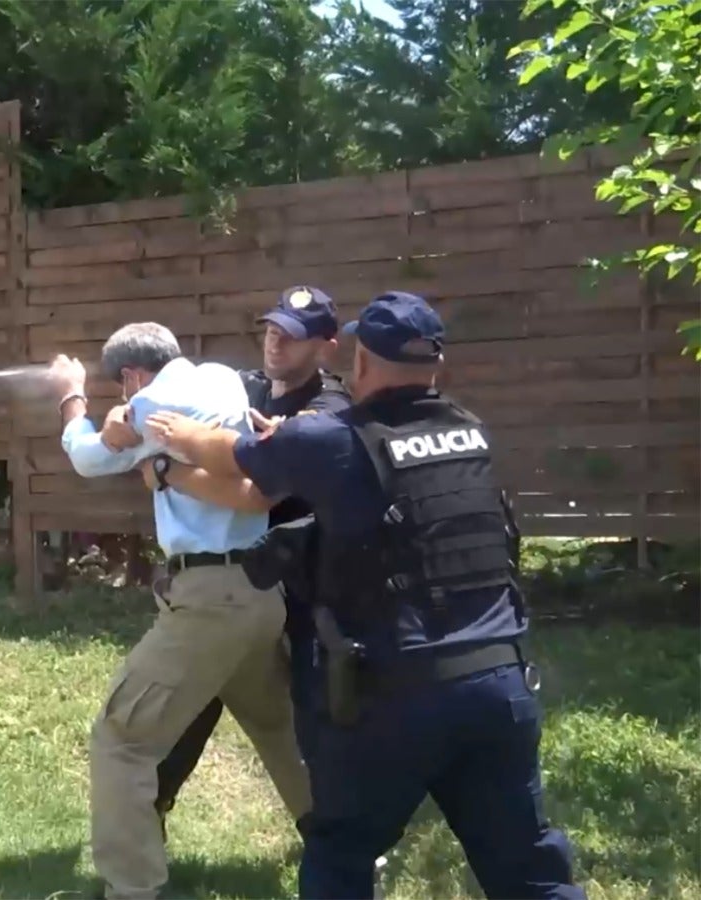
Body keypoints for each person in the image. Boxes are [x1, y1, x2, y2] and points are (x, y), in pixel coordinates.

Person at [142, 291, 584, 900]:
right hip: (499, 688)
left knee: (341, 852)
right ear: (436, 365)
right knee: (530, 872)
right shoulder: (471, 434)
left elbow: (227, 456)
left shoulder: (333, 439)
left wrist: (175, 436)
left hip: (396, 695)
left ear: (362, 363)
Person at [46, 323, 310, 900]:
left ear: (132, 377)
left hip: (210, 601)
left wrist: (72, 399)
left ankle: (133, 889)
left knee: (121, 740)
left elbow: (90, 458)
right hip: (260, 595)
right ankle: (347, 849)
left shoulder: (153, 402)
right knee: (279, 728)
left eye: (124, 388)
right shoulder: (221, 381)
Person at [139, 286, 349, 820]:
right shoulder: (240, 392)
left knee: (310, 715)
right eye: (271, 330)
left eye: (293, 337)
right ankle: (150, 809)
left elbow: (263, 485)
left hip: (309, 589)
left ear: (326, 346)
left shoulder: (332, 409)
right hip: (240, 578)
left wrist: (171, 470)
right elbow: (161, 427)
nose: (275, 344)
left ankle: (338, 835)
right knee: (195, 695)